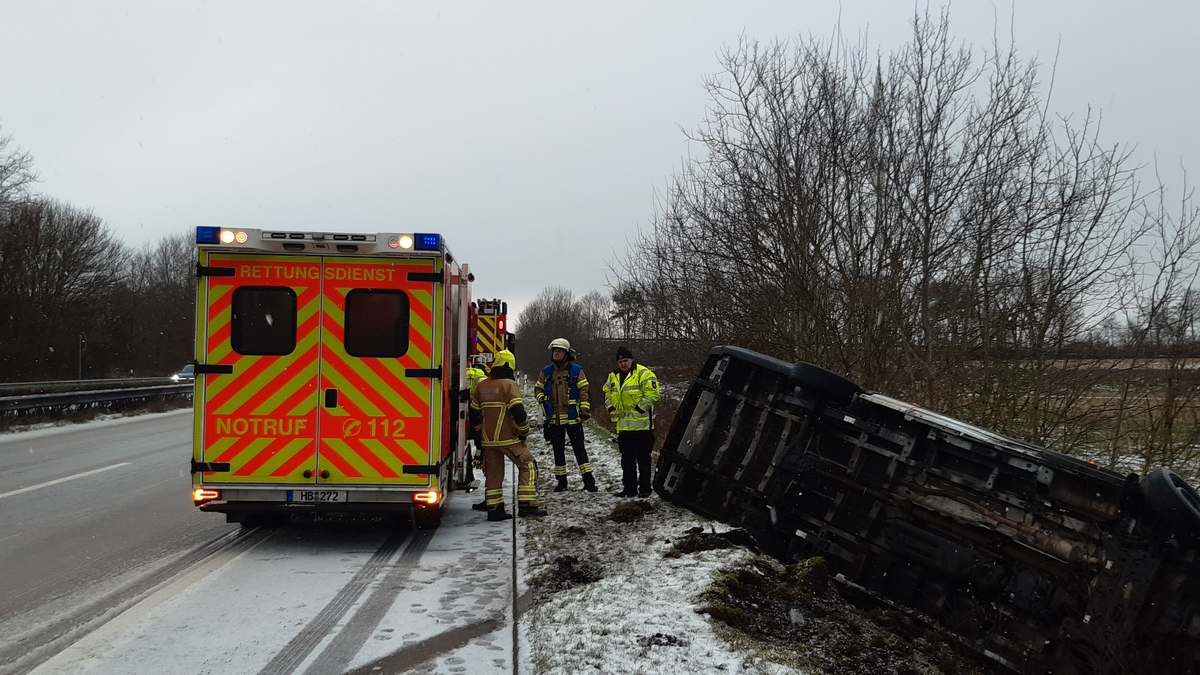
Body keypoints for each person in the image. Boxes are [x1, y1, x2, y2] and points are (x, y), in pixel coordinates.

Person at [470, 349, 548, 520]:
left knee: (494, 473)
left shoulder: (481, 386)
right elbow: (518, 411)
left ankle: (495, 510)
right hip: (509, 438)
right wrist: (523, 430)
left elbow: (474, 414)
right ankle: (527, 505)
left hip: (488, 440)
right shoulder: (509, 385)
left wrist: (480, 433)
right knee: (528, 465)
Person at [535, 337, 598, 493]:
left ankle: (589, 481)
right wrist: (542, 399)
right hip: (554, 420)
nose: (556, 353)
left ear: (566, 353)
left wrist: (584, 410)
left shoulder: (576, 371)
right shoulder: (546, 372)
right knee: (558, 452)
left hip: (573, 418)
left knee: (579, 450)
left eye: (559, 351)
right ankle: (561, 482)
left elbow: (584, 391)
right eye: (554, 351)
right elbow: (538, 388)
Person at [602, 346, 660, 498]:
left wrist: (640, 408)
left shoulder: (643, 373)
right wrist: (610, 408)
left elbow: (653, 393)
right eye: (620, 361)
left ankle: (645, 489)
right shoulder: (613, 377)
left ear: (632, 360)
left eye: (626, 361)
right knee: (627, 461)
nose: (623, 364)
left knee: (643, 461)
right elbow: (607, 393)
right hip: (623, 428)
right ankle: (629, 489)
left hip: (642, 428)